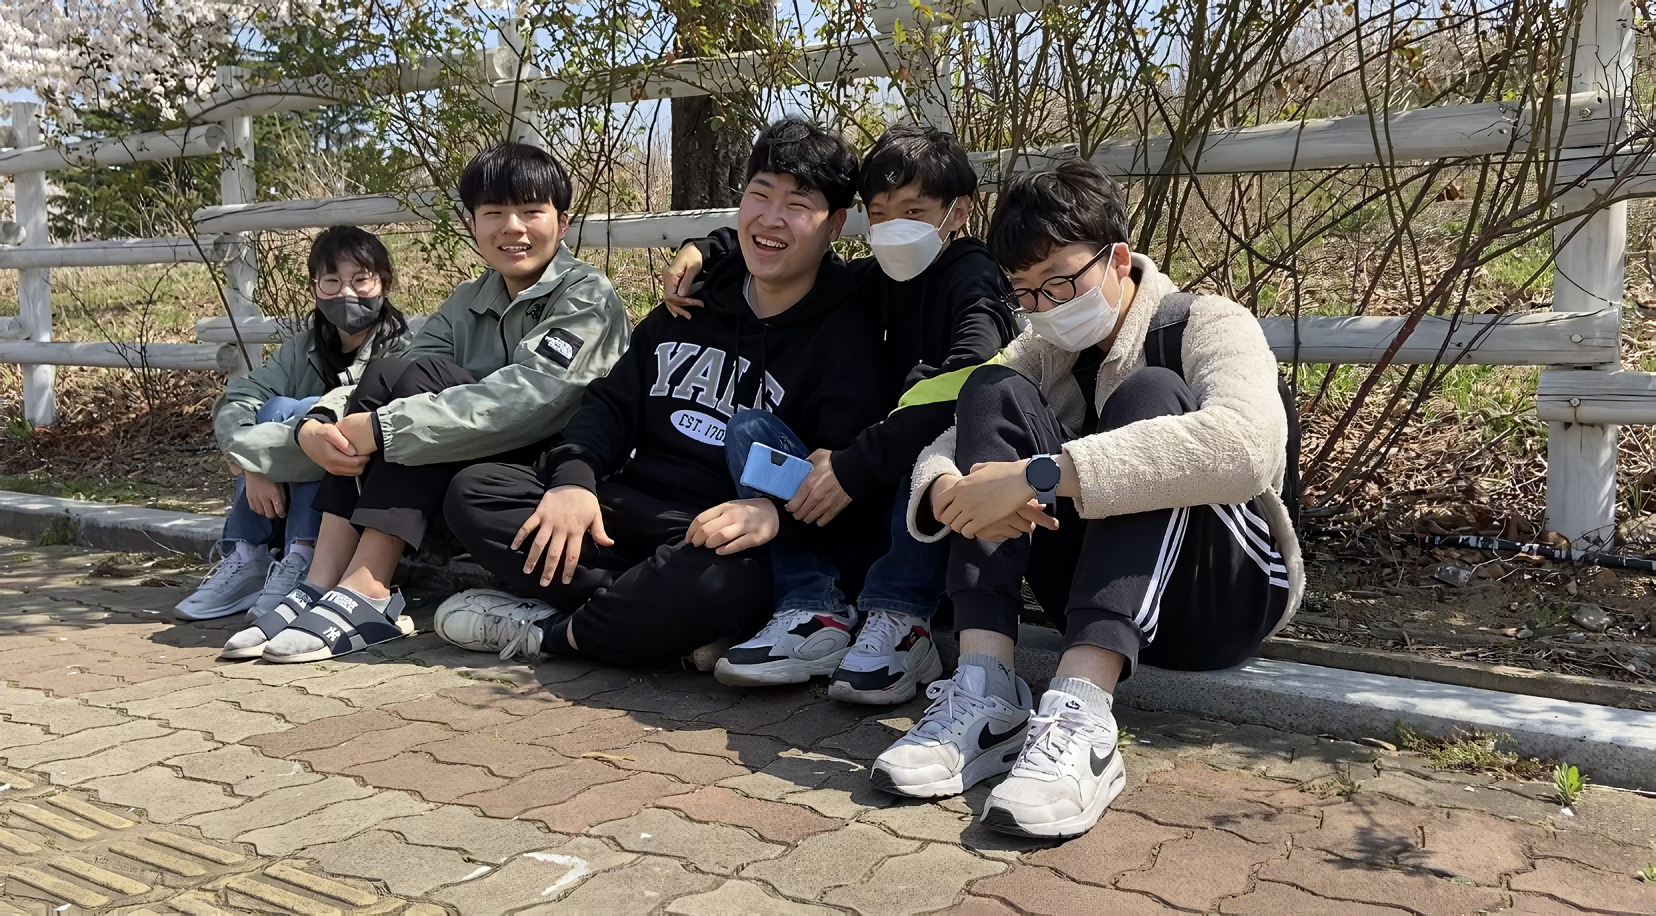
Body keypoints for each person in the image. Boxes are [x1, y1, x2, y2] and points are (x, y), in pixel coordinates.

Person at [872, 159, 1304, 839]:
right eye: (1026, 292)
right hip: (1086, 593)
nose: (1045, 306)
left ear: (1118, 259)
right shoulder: (1040, 346)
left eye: (1060, 282)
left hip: (1219, 599)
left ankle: (1083, 714)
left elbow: (1248, 448)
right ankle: (985, 691)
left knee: (1150, 394)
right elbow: (949, 444)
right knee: (990, 389)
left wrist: (1040, 476)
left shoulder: (1207, 323)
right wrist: (947, 488)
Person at [431, 117, 885, 669]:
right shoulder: (692, 299)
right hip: (628, 508)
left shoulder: (848, 335)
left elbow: (837, 477)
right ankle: (654, 621)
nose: (770, 218)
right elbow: (611, 403)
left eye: (796, 205)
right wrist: (574, 481)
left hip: (719, 531)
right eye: (759, 195)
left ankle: (554, 634)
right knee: (475, 492)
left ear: (834, 224)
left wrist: (773, 512)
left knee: (728, 582)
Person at [220, 141, 630, 663]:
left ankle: (369, 586)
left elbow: (532, 398)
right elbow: (393, 373)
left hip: (557, 465)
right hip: (480, 454)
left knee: (414, 396)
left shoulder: (586, 297)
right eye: (494, 213)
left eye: (531, 211)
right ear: (472, 223)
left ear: (563, 222)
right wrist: (320, 419)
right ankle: (324, 579)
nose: (513, 228)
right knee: (399, 373)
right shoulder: (468, 300)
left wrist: (387, 428)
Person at [659, 124, 1017, 702]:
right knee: (751, 431)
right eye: (880, 213)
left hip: (922, 508)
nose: (895, 228)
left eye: (914, 211)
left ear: (959, 211)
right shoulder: (872, 279)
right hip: (851, 498)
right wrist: (708, 247)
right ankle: (811, 608)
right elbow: (787, 252)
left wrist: (858, 460)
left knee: (932, 446)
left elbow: (972, 373)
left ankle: (903, 620)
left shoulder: (973, 277)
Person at [182, 226, 410, 628]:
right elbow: (237, 399)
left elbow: (347, 425)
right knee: (276, 406)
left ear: (385, 283)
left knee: (308, 410)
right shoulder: (302, 349)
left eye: (361, 280)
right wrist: (251, 466)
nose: (347, 293)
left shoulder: (402, 350)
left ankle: (305, 556)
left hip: (361, 493)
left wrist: (258, 459)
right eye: (332, 281)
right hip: (298, 480)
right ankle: (250, 557)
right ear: (314, 287)